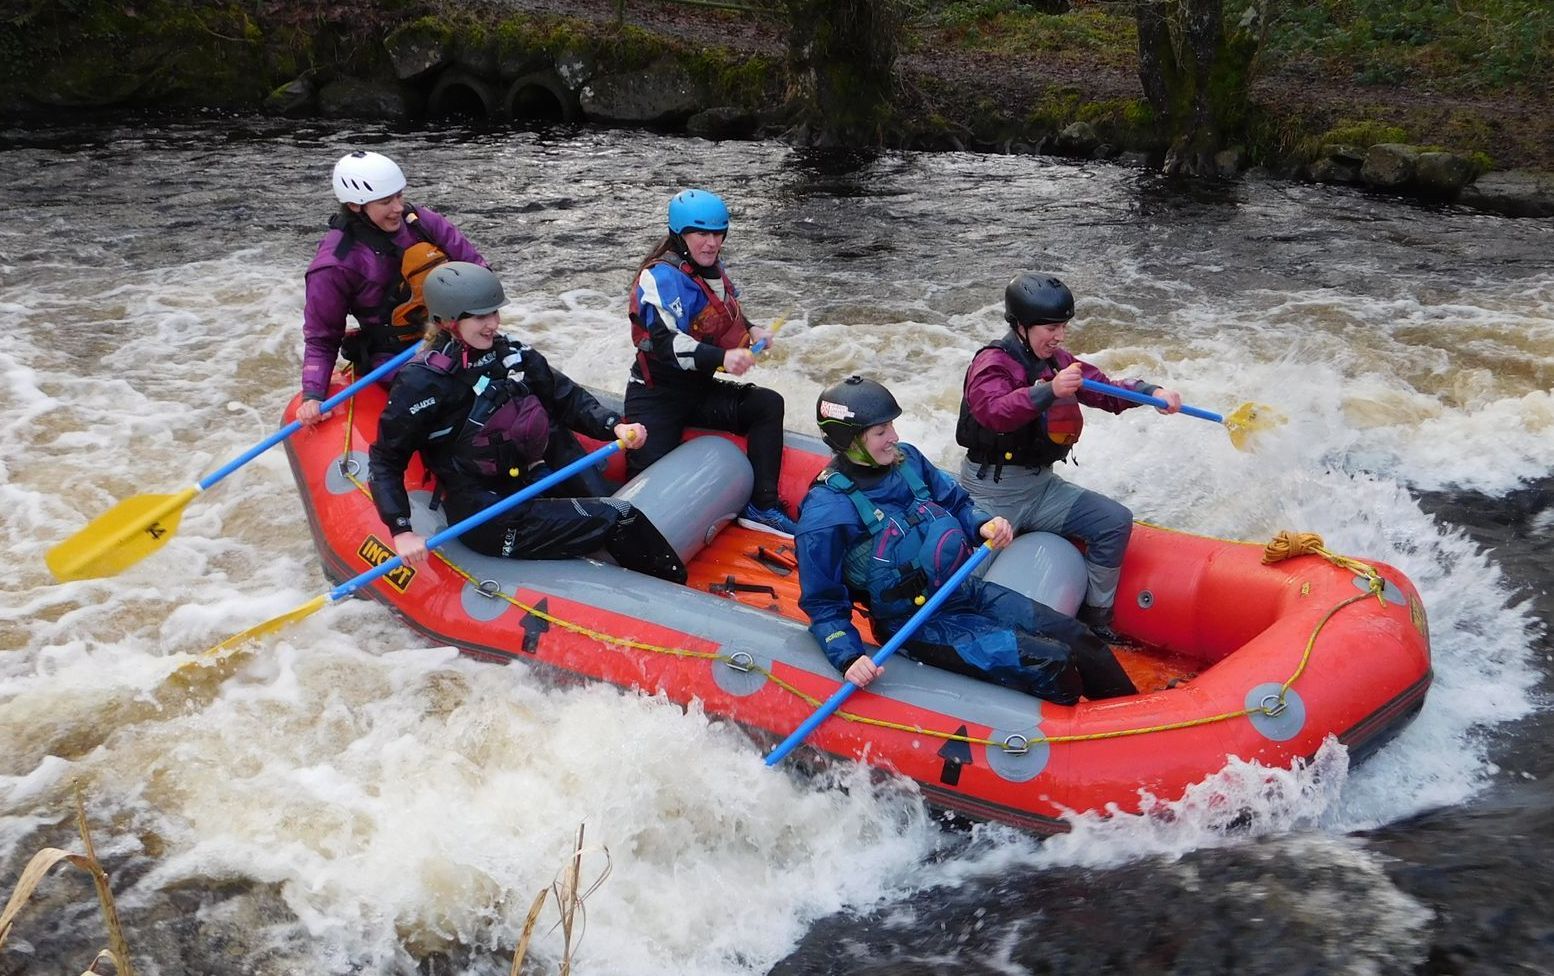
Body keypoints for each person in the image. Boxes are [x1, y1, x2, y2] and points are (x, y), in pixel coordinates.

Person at [795, 376, 1136, 704]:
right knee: (1052, 660)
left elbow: (957, 503)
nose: (893, 437)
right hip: (914, 624)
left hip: (959, 589)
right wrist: (847, 656)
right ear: (849, 439)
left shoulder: (907, 460)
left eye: (892, 427)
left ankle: (1132, 718)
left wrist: (982, 524)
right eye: (881, 431)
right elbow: (823, 604)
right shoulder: (826, 512)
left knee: (1077, 638)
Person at [368, 262, 684, 582]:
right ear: (448, 321)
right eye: (481, 317)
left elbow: (565, 397)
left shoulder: (511, 354)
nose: (493, 324)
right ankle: (676, 589)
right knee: (619, 515)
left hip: (530, 479)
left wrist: (613, 424)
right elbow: (385, 458)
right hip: (489, 514)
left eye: (494, 313)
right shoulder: (422, 382)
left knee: (556, 431)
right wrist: (401, 530)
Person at [957, 272, 1183, 642]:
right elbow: (992, 411)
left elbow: (1104, 390)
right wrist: (1047, 392)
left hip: (1041, 487)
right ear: (1021, 326)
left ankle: (1097, 621)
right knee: (964, 574)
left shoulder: (1057, 362)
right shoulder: (992, 364)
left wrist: (1151, 392)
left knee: (1113, 521)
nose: (1059, 335)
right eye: (1050, 327)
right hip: (989, 495)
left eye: (1062, 326)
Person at [624, 188, 797, 535]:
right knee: (643, 507)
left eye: (718, 234)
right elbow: (668, 344)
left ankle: (762, 506)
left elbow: (725, 319)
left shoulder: (712, 272)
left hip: (698, 391)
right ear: (679, 235)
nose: (711, 243)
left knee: (767, 404)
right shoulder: (657, 277)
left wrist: (753, 330)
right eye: (701, 233)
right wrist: (723, 358)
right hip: (656, 396)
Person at [298, 150, 488, 428]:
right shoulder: (334, 265)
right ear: (355, 206)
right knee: (463, 406)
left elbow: (478, 271)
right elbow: (321, 337)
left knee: (516, 381)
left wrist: (480, 326)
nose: (399, 207)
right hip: (398, 360)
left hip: (456, 337)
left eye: (399, 195)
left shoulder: (421, 224)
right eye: (386, 201)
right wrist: (313, 393)